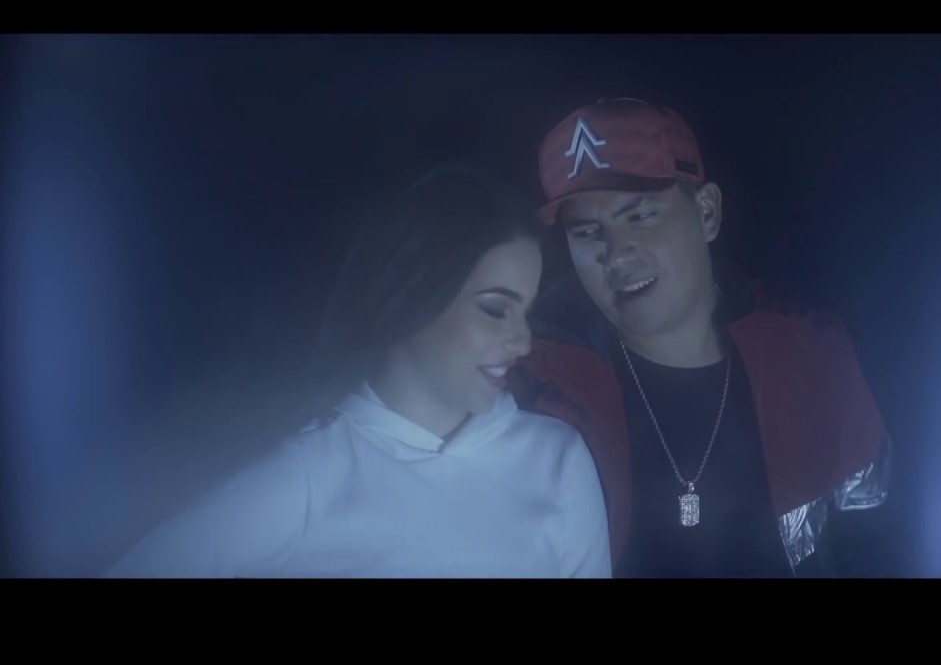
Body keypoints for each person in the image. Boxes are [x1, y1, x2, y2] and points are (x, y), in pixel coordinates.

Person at [106, 165, 611, 578]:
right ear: (413, 298)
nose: (523, 341)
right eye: (496, 309)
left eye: (526, 312)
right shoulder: (306, 472)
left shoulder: (556, 458)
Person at [511, 98, 892, 577]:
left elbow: (869, 540)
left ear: (707, 212)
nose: (617, 254)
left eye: (640, 216)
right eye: (587, 232)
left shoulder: (811, 352)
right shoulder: (531, 379)